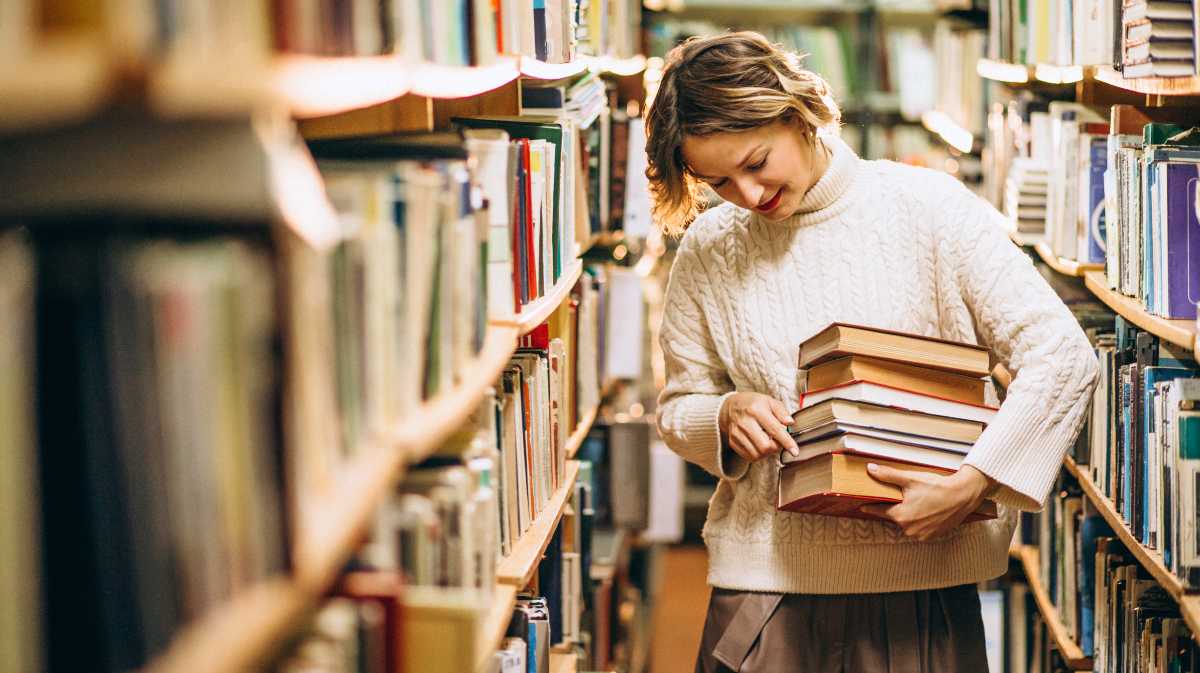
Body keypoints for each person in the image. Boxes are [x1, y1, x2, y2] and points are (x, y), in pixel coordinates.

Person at [647, 31, 1099, 672]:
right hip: (764, 590)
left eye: (755, 163)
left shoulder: (930, 208)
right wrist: (721, 416)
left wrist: (973, 484)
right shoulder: (710, 247)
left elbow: (1062, 354)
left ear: (797, 112)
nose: (748, 196)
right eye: (717, 180)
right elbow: (678, 406)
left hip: (919, 590)